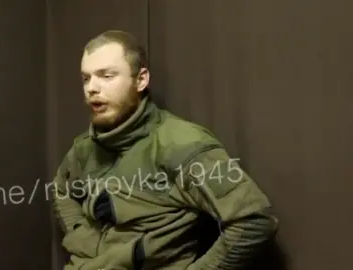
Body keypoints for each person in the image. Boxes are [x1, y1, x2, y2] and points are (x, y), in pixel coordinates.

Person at [51, 30, 279, 270]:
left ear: (141, 80)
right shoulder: (85, 146)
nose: (92, 88)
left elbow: (253, 222)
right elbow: (61, 189)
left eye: (106, 76)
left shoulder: (183, 144)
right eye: (86, 78)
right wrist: (79, 234)